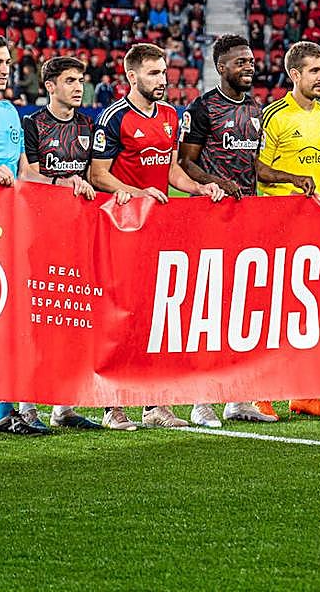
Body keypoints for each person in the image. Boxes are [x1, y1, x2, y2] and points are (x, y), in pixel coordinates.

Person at [0, 34, 85, 437]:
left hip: (13, 227)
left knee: (10, 319)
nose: (5, 69)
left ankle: (6, 414)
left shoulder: (10, 113)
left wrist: (64, 183)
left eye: (6, 62)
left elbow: (26, 172)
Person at [90, 43, 225, 429]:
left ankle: (155, 406)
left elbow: (169, 172)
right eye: (152, 73)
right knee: (120, 318)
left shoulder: (170, 115)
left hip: (158, 230)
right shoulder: (114, 117)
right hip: (121, 228)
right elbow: (98, 175)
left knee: (156, 317)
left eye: (164, 72)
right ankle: (112, 406)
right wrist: (137, 194)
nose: (162, 80)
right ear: (132, 77)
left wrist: (198, 189)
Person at [177, 35, 275, 425]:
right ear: (221, 67)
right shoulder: (202, 109)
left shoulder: (255, 109)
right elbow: (186, 162)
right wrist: (217, 183)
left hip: (247, 218)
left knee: (244, 309)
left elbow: (258, 167)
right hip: (210, 217)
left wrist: (291, 177)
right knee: (209, 309)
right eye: (240, 62)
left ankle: (238, 399)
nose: (249, 66)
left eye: (251, 61)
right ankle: (201, 400)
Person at [254, 41, 320, 418]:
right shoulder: (275, 115)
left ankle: (306, 394)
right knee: (274, 310)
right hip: (278, 222)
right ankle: (261, 393)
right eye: (314, 70)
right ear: (294, 75)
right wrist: (294, 179)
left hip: (318, 223)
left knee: (311, 311)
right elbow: (259, 169)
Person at [22, 56, 114, 432]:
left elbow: (95, 175)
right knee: (37, 319)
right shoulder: (33, 124)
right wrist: (63, 184)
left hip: (78, 231)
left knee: (74, 317)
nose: (79, 87)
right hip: (38, 232)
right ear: (50, 86)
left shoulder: (87, 125)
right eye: (71, 80)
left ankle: (64, 405)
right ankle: (27, 406)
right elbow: (27, 174)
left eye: (81, 80)